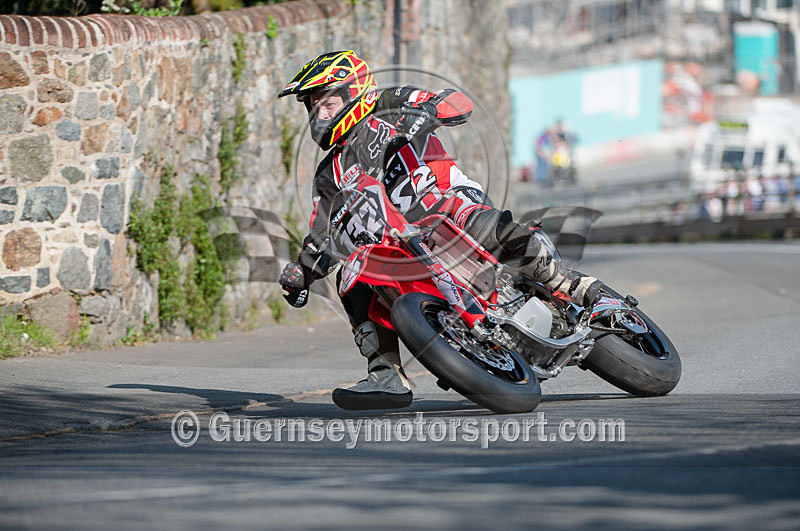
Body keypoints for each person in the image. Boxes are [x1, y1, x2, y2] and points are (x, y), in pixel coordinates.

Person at [277, 50, 602, 410]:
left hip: (445, 201)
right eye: (313, 107)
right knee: (352, 277)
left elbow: (455, 102)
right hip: (400, 239)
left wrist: (428, 112)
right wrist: (301, 273)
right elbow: (321, 231)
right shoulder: (328, 174)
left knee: (473, 221)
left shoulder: (388, 102)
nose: (320, 115)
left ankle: (565, 284)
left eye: (328, 102)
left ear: (354, 91)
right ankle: (385, 373)